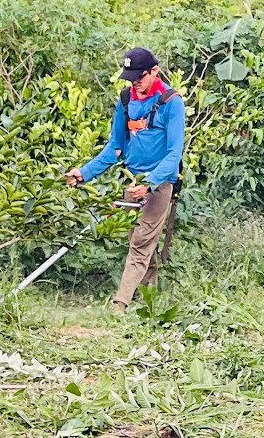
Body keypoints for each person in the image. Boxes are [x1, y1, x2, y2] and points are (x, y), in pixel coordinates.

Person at [65, 47, 185, 315]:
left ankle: (120, 305)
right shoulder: (125, 100)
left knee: (141, 243)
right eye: (130, 79)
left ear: (154, 71)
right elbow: (114, 148)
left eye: (139, 78)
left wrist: (151, 182)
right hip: (132, 182)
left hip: (159, 183)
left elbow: (174, 154)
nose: (135, 84)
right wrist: (83, 173)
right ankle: (150, 303)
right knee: (142, 244)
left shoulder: (171, 102)